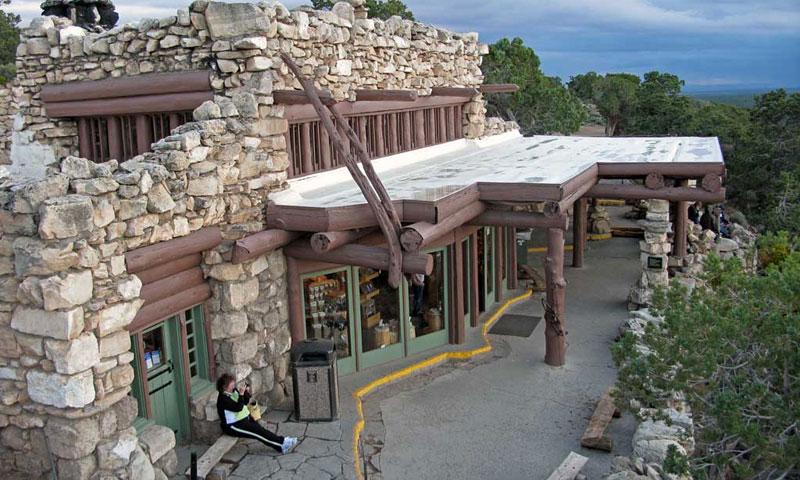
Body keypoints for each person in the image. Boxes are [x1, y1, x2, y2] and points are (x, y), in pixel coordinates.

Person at [216, 373, 298, 454]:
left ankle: (283, 441)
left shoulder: (233, 391)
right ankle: (281, 445)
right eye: (232, 384)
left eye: (234, 383)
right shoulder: (223, 399)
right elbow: (238, 408)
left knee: (261, 430)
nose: (234, 385)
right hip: (233, 426)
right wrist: (241, 395)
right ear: (224, 387)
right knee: (257, 433)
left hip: (244, 419)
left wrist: (245, 393)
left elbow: (244, 402)